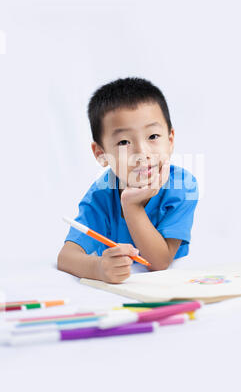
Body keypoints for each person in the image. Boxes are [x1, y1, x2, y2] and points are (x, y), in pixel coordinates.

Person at [57, 77, 199, 283]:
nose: (142, 152)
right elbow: (66, 257)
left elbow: (159, 262)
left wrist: (131, 206)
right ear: (100, 153)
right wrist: (98, 268)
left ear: (170, 140)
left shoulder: (182, 185)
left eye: (153, 137)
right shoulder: (101, 194)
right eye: (124, 142)